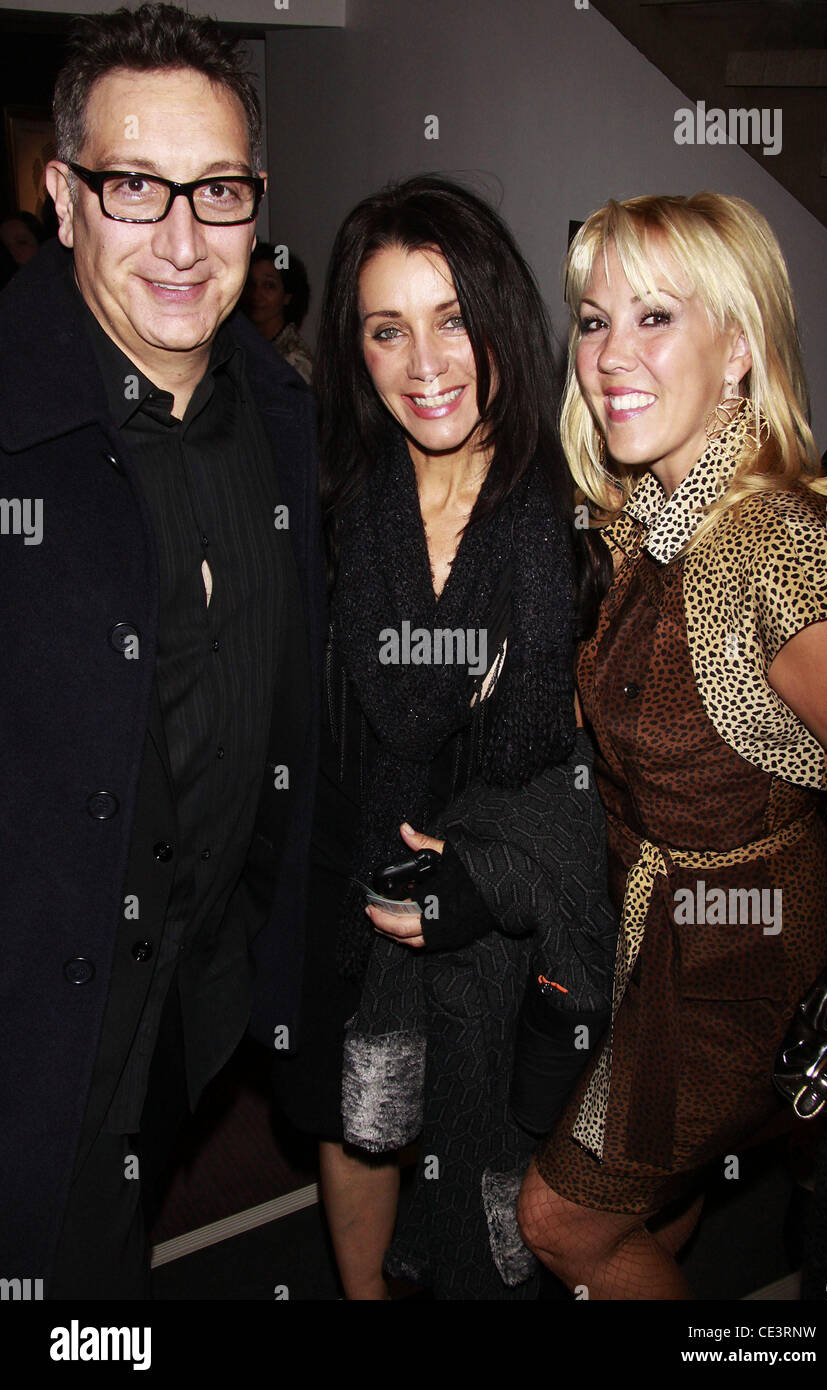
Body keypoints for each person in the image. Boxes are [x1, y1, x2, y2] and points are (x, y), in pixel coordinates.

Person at [0, 3, 325, 1298]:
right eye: (136, 187)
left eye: (220, 192)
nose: (184, 242)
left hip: (191, 1009)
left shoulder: (287, 419)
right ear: (62, 196)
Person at [271, 175, 617, 1300]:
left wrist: (488, 874)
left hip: (499, 914)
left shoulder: (573, 517)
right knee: (354, 1116)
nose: (424, 362)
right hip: (345, 883)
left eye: (452, 318)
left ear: (500, 316)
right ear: (355, 349)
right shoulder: (325, 507)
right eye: (387, 329)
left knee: (505, 1157)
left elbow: (593, 773)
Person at [517, 192, 827, 1299]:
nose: (607, 355)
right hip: (662, 932)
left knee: (560, 1220)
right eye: (592, 320)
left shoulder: (772, 552)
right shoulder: (640, 518)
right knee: (652, 1212)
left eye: (654, 316)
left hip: (748, 953)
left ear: (740, 350)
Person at [242, 242, 314, 384]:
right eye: (251, 284)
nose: (256, 294)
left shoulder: (295, 360)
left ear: (287, 296)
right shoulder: (241, 344)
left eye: (269, 286)